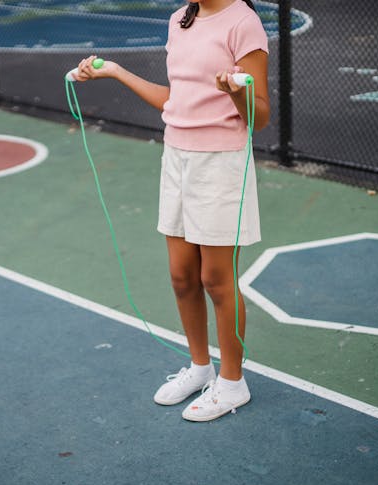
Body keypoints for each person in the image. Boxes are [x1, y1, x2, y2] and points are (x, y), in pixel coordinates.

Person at [73, 0, 270, 422]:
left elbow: (261, 116)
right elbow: (175, 100)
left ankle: (233, 384)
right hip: (176, 157)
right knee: (182, 276)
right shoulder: (180, 19)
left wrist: (238, 91)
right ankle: (201, 369)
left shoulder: (243, 23)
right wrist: (116, 72)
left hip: (221, 162)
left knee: (216, 279)